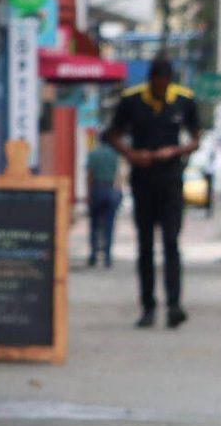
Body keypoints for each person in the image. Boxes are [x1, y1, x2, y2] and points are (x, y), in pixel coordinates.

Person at [104, 58, 203, 327]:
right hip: (143, 179)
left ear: (170, 80)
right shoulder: (132, 100)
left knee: (171, 243)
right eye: (157, 82)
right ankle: (148, 306)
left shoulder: (184, 100)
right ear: (151, 80)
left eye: (165, 82)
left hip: (171, 179)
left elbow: (196, 138)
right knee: (145, 245)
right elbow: (112, 134)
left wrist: (176, 151)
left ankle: (174, 305)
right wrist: (132, 154)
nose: (161, 86)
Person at [84, 133, 123, 268]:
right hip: (110, 190)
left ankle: (94, 255)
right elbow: (118, 175)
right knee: (109, 225)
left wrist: (88, 194)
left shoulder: (93, 154)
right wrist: (118, 192)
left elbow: (89, 175)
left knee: (95, 225)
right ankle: (107, 257)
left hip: (97, 189)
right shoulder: (114, 154)